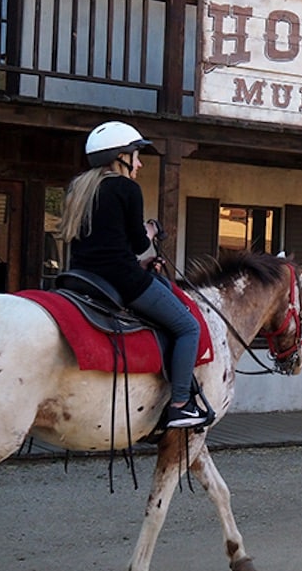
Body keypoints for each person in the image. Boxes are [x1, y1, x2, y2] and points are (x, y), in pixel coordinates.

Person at [57, 121, 211, 429]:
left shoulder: (79, 188)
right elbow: (140, 244)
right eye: (136, 155)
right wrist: (150, 231)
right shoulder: (126, 187)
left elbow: (104, 242)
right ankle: (181, 404)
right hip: (121, 279)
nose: (139, 163)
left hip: (82, 276)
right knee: (188, 327)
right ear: (120, 157)